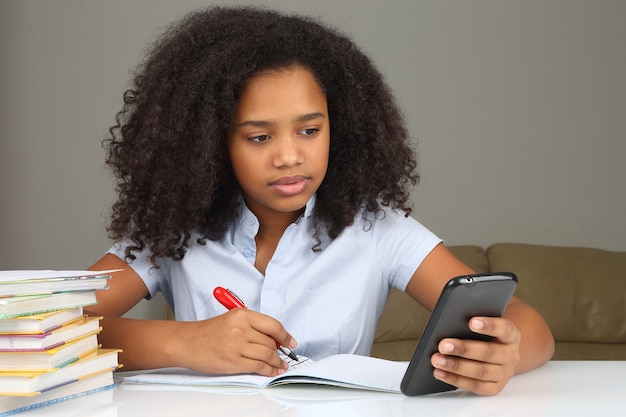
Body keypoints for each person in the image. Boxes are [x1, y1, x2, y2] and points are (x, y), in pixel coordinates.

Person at [86, 6, 554, 396]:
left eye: (310, 130)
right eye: (259, 136)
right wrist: (184, 343)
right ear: (209, 143)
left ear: (340, 127)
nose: (290, 156)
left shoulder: (376, 228)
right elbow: (48, 328)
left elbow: (530, 326)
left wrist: (505, 352)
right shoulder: (174, 230)